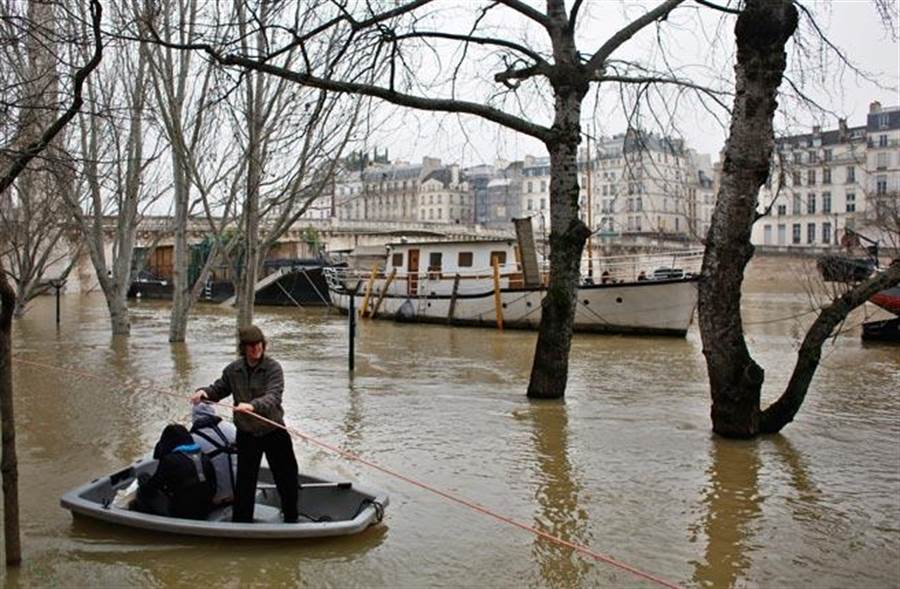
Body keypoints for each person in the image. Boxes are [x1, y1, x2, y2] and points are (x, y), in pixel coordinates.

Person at [190, 325, 299, 523]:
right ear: (243, 348)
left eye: (259, 345)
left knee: (286, 478)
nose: (256, 349)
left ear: (263, 345)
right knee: (244, 483)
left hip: (273, 431)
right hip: (247, 435)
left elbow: (273, 396)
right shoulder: (233, 369)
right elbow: (219, 389)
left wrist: (252, 406)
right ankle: (242, 523)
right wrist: (204, 393)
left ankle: (292, 518)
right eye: (251, 346)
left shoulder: (273, 368)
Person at [133, 423, 216, 520]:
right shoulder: (204, 457)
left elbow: (151, 488)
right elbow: (213, 487)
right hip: (205, 511)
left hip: (180, 513)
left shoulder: (170, 460)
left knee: (143, 479)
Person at [190, 403, 237, 506]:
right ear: (212, 412)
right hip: (241, 490)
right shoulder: (231, 428)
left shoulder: (192, 439)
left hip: (216, 498)